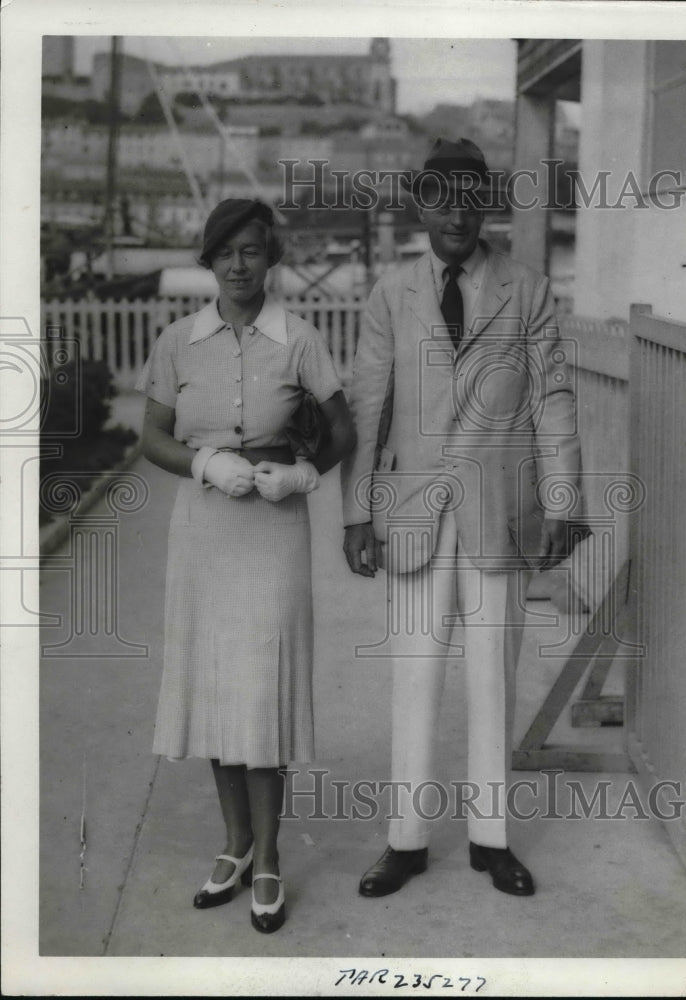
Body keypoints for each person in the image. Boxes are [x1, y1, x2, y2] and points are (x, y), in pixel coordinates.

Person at [341, 138, 583, 898]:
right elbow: (366, 405)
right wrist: (357, 514)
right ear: (421, 203)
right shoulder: (391, 293)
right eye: (440, 195)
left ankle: (491, 837)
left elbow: (552, 400)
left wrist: (564, 502)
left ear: (488, 203)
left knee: (492, 683)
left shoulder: (530, 289)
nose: (456, 211)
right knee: (413, 681)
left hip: (499, 517)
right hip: (412, 516)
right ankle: (406, 842)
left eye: (469, 195)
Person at [137, 198, 355, 933]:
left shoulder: (298, 338)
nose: (239, 265)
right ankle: (232, 845)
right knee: (216, 686)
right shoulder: (177, 340)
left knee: (261, 689)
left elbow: (343, 428)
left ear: (271, 259)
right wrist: (202, 462)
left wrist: (304, 475)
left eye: (253, 251)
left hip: (273, 523)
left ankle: (268, 858)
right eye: (226, 252)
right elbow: (152, 437)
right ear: (208, 259)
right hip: (204, 528)